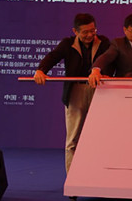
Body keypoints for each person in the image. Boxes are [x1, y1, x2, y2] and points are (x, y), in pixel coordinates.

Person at [33, 13, 111, 172]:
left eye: (93, 30)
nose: (90, 35)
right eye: (85, 32)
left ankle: (97, 174)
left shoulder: (104, 42)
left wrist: (107, 74)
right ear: (75, 31)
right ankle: (72, 177)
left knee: (100, 136)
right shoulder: (67, 44)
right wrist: (41, 70)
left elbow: (111, 60)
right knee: (73, 139)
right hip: (75, 91)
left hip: (99, 92)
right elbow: (53, 57)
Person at [88, 13, 132, 87]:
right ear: (125, 30)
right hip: (122, 84)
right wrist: (95, 70)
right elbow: (106, 57)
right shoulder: (118, 43)